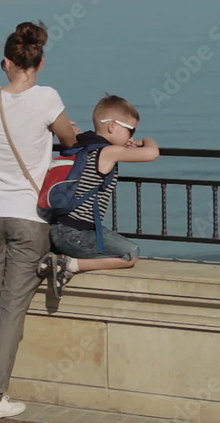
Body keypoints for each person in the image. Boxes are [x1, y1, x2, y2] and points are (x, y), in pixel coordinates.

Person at [0, 22, 78, 421]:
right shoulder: (48, 97)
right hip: (28, 216)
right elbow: (69, 140)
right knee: (12, 310)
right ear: (40, 62)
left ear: (6, 63)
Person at [38, 95, 160, 298]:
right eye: (130, 130)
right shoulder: (109, 152)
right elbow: (152, 153)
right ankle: (68, 264)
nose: (130, 137)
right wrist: (144, 141)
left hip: (59, 228)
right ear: (112, 126)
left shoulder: (82, 146)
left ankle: (63, 260)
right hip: (76, 234)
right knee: (130, 254)